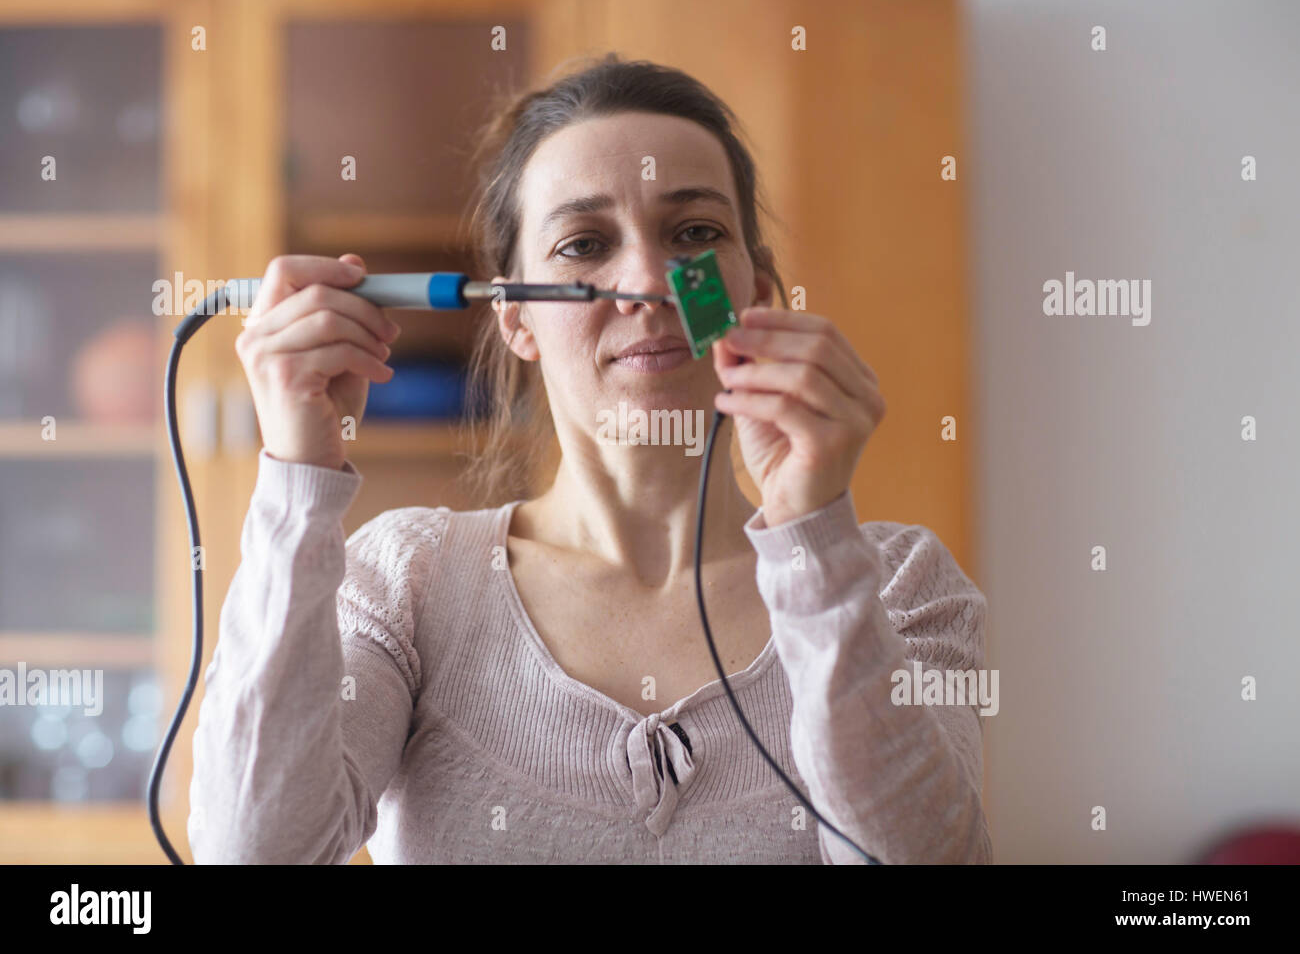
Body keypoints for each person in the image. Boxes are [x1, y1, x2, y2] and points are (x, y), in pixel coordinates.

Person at [188, 54, 992, 864]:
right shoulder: (409, 583)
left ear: (755, 293)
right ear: (516, 321)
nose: (648, 282)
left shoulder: (899, 585)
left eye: (696, 234)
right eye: (584, 243)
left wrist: (815, 537)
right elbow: (252, 852)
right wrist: (298, 475)